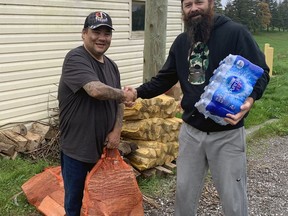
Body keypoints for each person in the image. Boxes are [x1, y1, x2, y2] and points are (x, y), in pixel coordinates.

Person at [125, 0, 270, 215]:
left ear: (211, 3)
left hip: (226, 134)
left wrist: (249, 102)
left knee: (233, 199)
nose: (193, 8)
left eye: (199, 2)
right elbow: (164, 79)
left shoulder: (235, 33)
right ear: (183, 10)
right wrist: (137, 92)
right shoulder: (183, 41)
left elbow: (261, 72)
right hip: (191, 133)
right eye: (187, 5)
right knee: (184, 195)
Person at [57, 11, 135, 216]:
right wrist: (125, 94)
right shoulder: (75, 58)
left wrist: (117, 131)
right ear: (84, 33)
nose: (102, 38)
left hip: (104, 147)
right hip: (77, 148)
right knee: (74, 202)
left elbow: (118, 101)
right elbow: (96, 90)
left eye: (107, 33)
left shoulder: (112, 66)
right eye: (96, 31)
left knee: (103, 199)